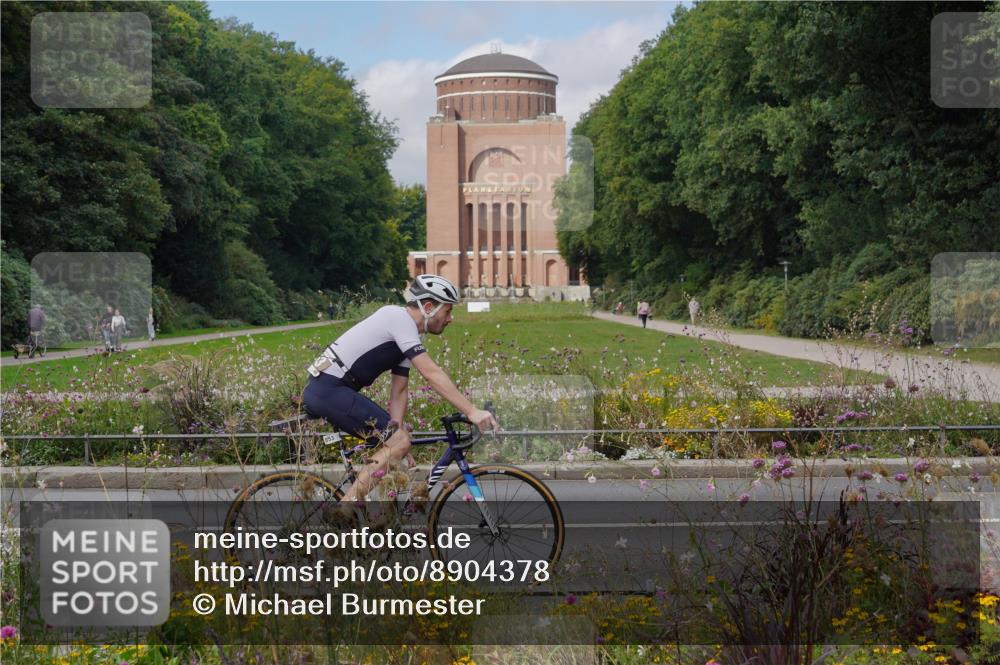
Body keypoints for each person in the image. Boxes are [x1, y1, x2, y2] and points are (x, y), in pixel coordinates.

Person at [302, 274, 498, 518]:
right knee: (397, 442)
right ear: (428, 307)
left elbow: (400, 390)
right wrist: (471, 410)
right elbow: (430, 372)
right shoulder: (397, 318)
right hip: (328, 389)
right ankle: (344, 510)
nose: (450, 318)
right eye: (447, 311)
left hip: (330, 390)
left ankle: (365, 525)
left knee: (397, 444)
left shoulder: (406, 332)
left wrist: (398, 438)